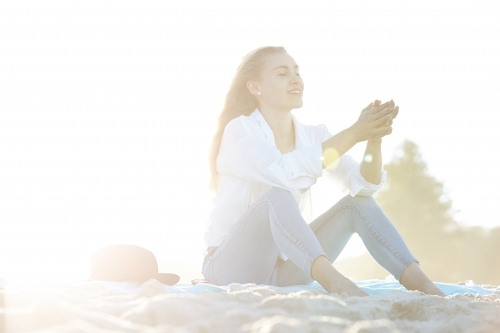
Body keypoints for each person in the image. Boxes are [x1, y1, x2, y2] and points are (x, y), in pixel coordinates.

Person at [202, 46, 446, 297]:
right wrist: (353, 133)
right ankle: (338, 283)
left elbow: (364, 185)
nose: (296, 79)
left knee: (357, 204)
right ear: (255, 87)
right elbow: (284, 174)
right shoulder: (240, 131)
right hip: (230, 267)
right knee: (278, 196)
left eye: (297, 72)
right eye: (282, 73)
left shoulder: (313, 136)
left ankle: (425, 286)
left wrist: (373, 139)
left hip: (281, 272)